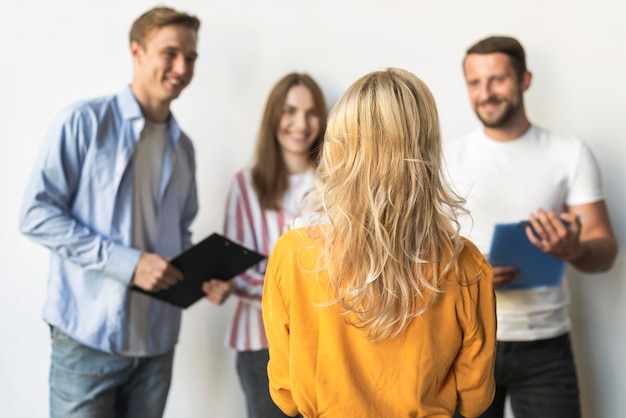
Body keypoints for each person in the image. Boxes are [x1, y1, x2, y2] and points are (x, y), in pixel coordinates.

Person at [261, 68, 497, 417]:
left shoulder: (292, 254)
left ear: (340, 147)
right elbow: (475, 400)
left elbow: (286, 395)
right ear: (426, 150)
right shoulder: (464, 263)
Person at [19, 7, 201, 417]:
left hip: (157, 344)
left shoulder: (184, 146)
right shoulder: (82, 122)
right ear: (136, 51)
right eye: (169, 53)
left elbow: (182, 230)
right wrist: (129, 263)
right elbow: (36, 214)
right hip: (86, 339)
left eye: (190, 58)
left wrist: (199, 277)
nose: (181, 67)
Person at [445, 36, 618, 418]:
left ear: (525, 79)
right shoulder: (447, 159)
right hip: (466, 341)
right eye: (475, 83)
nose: (486, 93)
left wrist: (574, 249)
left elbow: (604, 251)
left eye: (498, 79)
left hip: (545, 346)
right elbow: (419, 258)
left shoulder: (570, 153)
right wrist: (470, 276)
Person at [202, 73, 328, 418]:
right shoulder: (245, 185)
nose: (300, 123)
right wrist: (297, 293)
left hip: (324, 345)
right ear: (273, 116)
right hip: (261, 345)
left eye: (311, 112)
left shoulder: (337, 184)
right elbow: (235, 267)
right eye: (289, 110)